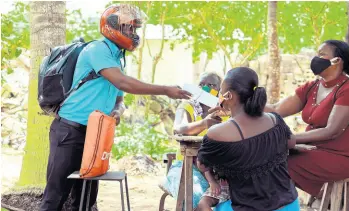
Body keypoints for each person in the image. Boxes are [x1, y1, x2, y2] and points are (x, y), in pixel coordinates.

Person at [40, 4, 191, 211]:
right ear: (112, 26)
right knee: (55, 197)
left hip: (95, 135)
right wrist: (165, 89)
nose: (134, 33)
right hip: (69, 132)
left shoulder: (117, 58)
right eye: (129, 28)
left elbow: (120, 97)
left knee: (85, 200)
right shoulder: (97, 50)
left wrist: (118, 111)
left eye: (135, 29)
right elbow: (123, 83)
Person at [264, 40, 349, 206]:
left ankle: (289, 205)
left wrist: (289, 138)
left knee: (278, 164)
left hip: (342, 157)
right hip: (312, 150)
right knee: (266, 157)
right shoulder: (311, 87)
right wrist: (242, 105)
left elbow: (331, 131)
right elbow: (276, 109)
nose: (316, 59)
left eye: (321, 55)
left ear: (337, 61)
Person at [197, 67, 299, 211]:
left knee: (202, 205)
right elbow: (291, 142)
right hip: (289, 205)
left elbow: (202, 165)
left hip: (247, 207)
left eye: (220, 92)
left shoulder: (217, 133)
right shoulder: (274, 120)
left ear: (228, 96)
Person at [161, 72, 230, 210]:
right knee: (194, 196)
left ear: (219, 91)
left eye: (210, 85)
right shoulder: (188, 106)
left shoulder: (225, 111)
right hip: (184, 167)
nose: (205, 88)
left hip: (218, 170)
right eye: (201, 84)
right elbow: (178, 128)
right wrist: (203, 124)